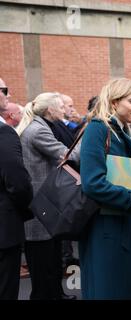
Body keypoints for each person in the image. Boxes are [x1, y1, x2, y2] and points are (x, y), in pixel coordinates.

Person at [79, 78, 131, 300]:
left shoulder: (121, 132)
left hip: (121, 224)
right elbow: (93, 183)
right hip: (104, 229)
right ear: (113, 102)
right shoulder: (97, 129)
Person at [16, 92, 79, 300]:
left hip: (41, 206)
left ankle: (56, 294)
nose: (64, 110)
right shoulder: (38, 131)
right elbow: (68, 155)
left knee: (50, 261)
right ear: (50, 110)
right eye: (61, 106)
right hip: (40, 209)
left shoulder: (38, 126)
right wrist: (88, 138)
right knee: (43, 266)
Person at [0, 78, 33, 300]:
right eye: (4, 90)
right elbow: (18, 183)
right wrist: (25, 207)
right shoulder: (3, 133)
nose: (8, 94)